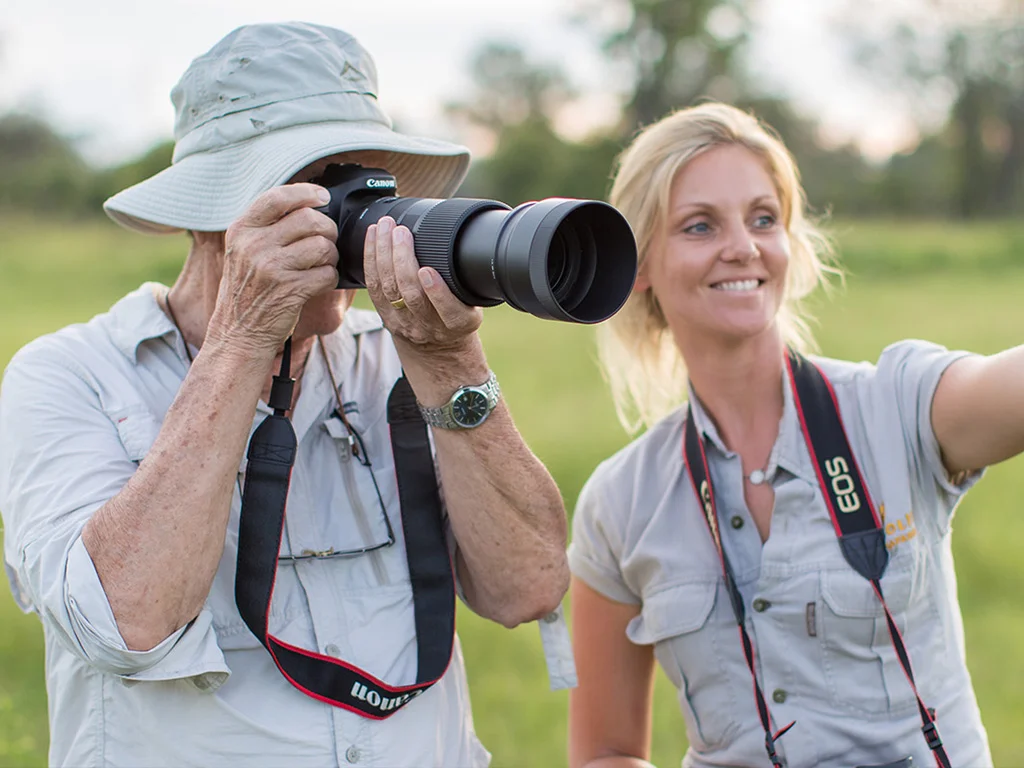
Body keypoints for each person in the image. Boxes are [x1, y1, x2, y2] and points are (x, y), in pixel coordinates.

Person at [0, 22, 571, 767]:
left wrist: (452, 362)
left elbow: (527, 586)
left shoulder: (395, 361)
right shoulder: (68, 375)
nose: (349, 221)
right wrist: (242, 340)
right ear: (215, 209)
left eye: (363, 182)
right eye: (316, 186)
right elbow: (123, 623)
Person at [566, 102, 1012, 768]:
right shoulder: (620, 502)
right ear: (640, 266)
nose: (742, 246)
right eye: (699, 225)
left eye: (763, 218)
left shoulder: (896, 405)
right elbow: (605, 750)